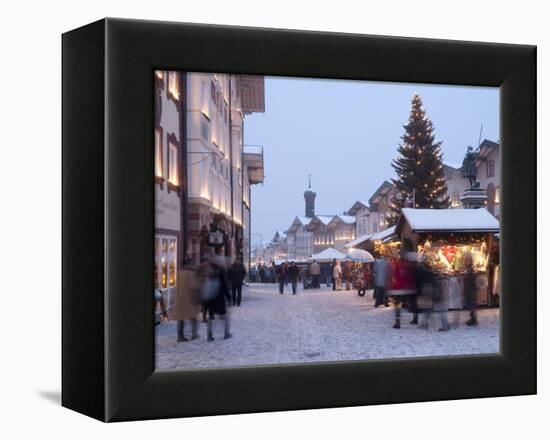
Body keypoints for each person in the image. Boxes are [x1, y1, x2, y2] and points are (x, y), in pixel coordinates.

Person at [199, 256, 232, 341]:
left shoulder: (208, 271)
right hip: (219, 298)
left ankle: (209, 335)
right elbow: (224, 286)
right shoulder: (220, 272)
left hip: (209, 298)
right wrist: (229, 297)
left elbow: (202, 283)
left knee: (210, 317)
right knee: (224, 317)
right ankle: (226, 333)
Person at [173, 262, 201, 342]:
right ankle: (194, 334)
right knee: (193, 318)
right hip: (189, 300)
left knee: (180, 319)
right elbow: (194, 285)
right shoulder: (191, 274)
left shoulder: (179, 273)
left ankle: (180, 336)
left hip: (180, 300)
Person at [463, 252, 478, 326]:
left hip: (470, 289)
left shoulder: (470, 269)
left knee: (471, 304)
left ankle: (473, 320)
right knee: (470, 304)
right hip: (469, 289)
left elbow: (471, 278)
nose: (465, 261)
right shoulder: (468, 268)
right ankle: (472, 319)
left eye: (466, 259)